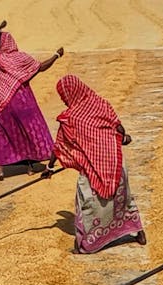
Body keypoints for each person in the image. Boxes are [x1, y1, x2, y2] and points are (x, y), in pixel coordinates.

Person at [46, 74, 145, 253]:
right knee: (123, 200)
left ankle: (86, 245)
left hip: (92, 169)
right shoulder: (100, 103)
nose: (64, 100)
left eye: (63, 96)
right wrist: (123, 138)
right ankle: (138, 232)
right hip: (116, 164)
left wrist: (50, 167)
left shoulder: (71, 118)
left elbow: (59, 145)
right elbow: (118, 127)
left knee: (88, 205)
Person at [0, 30, 61, 180]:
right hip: (24, 100)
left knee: (2, 133)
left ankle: (0, 170)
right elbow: (40, 67)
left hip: (5, 103)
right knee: (27, 132)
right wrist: (56, 55)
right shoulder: (21, 58)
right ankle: (29, 167)